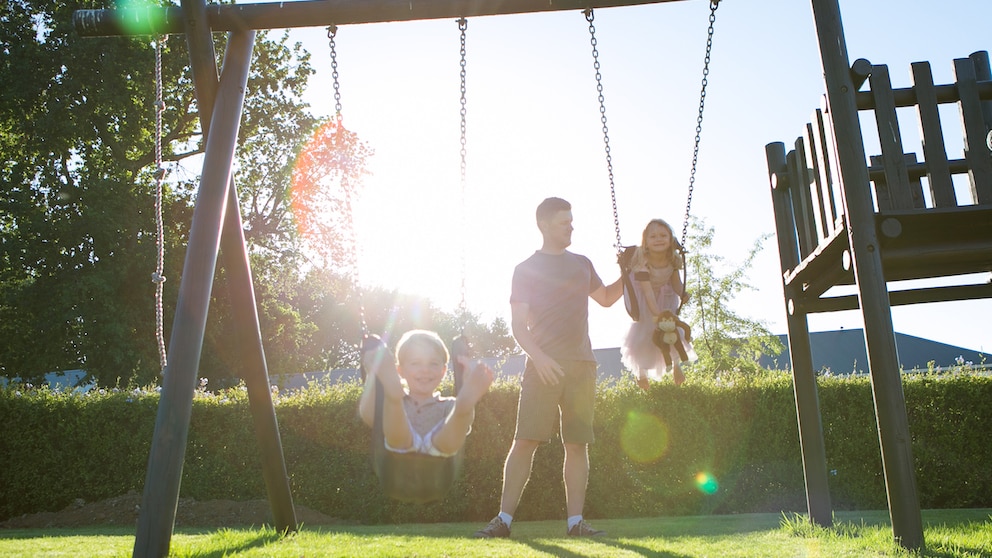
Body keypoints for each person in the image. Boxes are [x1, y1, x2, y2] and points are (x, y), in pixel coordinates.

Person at [473, 197, 623, 539]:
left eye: (571, 221)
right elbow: (518, 325)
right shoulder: (525, 269)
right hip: (542, 367)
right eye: (563, 223)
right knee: (524, 440)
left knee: (577, 444)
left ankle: (576, 524)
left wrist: (629, 272)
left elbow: (607, 299)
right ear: (543, 225)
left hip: (582, 365)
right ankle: (503, 521)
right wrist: (539, 358)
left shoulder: (583, 264)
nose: (571, 226)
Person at [359, 330, 494, 458]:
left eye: (433, 364)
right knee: (395, 426)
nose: (425, 370)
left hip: (440, 448)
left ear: (443, 371)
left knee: (457, 421)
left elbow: (464, 425)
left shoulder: (449, 404)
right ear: (400, 371)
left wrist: (465, 403)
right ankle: (392, 394)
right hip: (400, 445)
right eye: (416, 363)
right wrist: (373, 374)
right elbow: (370, 416)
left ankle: (465, 407)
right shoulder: (396, 407)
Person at [621, 218, 695, 390]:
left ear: (670, 240)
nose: (658, 239)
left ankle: (677, 366)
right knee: (645, 333)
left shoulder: (672, 260)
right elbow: (647, 292)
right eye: (653, 236)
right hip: (644, 298)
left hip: (666, 294)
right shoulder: (642, 262)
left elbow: (675, 282)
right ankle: (641, 373)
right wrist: (658, 314)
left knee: (672, 331)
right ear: (645, 242)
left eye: (663, 235)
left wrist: (682, 293)